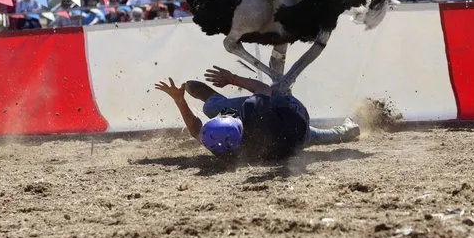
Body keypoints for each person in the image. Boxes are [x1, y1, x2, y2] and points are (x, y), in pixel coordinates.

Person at [155, 64, 361, 162]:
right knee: (214, 108)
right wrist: (233, 78)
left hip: (294, 139)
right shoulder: (253, 111)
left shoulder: (224, 146)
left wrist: (179, 101)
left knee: (320, 136)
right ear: (237, 122)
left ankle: (345, 131)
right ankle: (344, 132)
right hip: (291, 115)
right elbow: (264, 90)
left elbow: (195, 130)